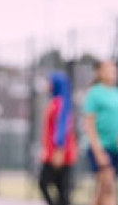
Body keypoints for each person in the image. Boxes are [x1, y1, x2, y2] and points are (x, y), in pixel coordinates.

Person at [83, 60, 118, 205]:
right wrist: (98, 152)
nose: (111, 73)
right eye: (107, 69)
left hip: (115, 148)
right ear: (99, 72)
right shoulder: (94, 93)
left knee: (102, 190)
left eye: (113, 70)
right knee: (109, 189)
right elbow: (89, 125)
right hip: (101, 147)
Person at [38, 71, 78, 205]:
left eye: (49, 82)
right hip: (56, 152)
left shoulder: (60, 104)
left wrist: (59, 149)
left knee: (45, 183)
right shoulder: (60, 102)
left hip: (58, 154)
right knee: (61, 190)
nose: (47, 86)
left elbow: (62, 127)